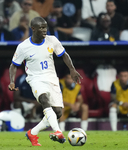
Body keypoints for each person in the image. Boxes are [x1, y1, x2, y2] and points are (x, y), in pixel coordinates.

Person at [8, 17, 82, 146]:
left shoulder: (52, 40)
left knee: (58, 112)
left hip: (52, 78)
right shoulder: (23, 46)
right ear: (33, 29)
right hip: (35, 78)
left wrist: (72, 69)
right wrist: (12, 81)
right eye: (41, 27)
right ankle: (57, 131)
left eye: (45, 27)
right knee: (44, 99)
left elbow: (64, 54)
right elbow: (14, 65)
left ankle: (32, 133)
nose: (44, 30)